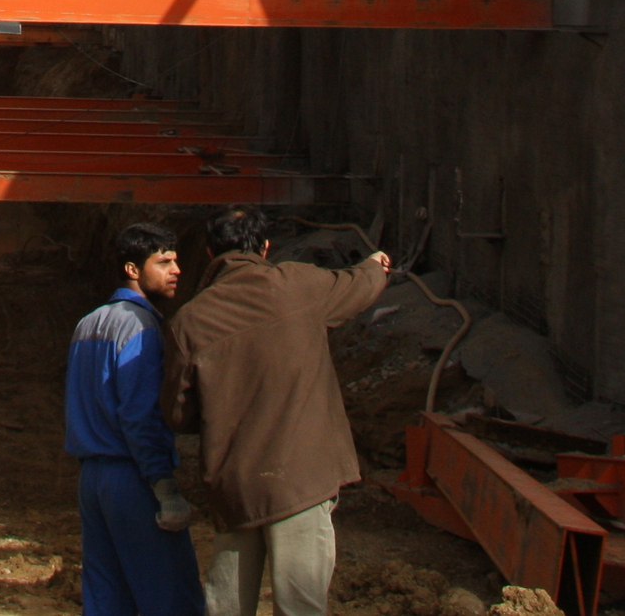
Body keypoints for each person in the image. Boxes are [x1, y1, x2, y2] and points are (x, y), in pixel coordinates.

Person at [161, 207, 388, 616]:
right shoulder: (299, 285)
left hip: (235, 488)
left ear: (212, 251)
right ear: (266, 248)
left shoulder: (190, 322)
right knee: (300, 606)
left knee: (227, 606)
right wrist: (375, 267)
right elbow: (359, 286)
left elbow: (178, 415)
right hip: (302, 482)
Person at [65, 220, 205, 616]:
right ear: (132, 269)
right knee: (171, 597)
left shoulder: (88, 323)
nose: (176, 270)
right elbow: (141, 415)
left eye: (176, 261)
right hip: (133, 478)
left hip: (93, 480)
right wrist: (163, 485)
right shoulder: (141, 327)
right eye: (163, 262)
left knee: (108, 598)